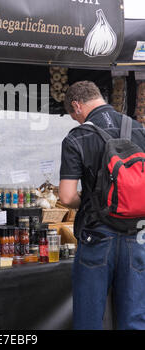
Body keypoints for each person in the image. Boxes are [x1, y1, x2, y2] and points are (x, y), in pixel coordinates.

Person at [59, 80, 145, 330]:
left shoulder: (77, 137)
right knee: (135, 315)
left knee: (89, 316)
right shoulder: (139, 129)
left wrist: (89, 202)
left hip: (97, 236)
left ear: (77, 105)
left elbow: (66, 197)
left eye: (74, 115)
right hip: (137, 233)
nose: (75, 120)